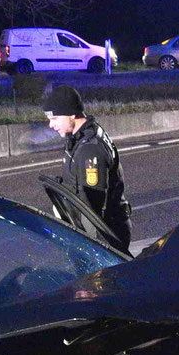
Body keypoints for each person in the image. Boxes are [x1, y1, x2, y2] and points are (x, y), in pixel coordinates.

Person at [42, 84, 132, 252]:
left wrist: (89, 247)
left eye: (54, 118)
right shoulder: (80, 139)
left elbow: (93, 209)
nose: (51, 125)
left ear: (70, 114)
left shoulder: (90, 149)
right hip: (96, 231)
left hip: (104, 236)